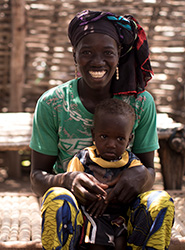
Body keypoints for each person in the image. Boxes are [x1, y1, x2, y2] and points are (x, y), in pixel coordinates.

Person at [29, 9, 174, 250]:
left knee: (160, 202)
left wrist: (141, 175)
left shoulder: (140, 103)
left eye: (108, 52)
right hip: (76, 211)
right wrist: (67, 180)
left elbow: (149, 172)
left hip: (126, 210)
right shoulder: (52, 103)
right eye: (86, 52)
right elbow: (37, 178)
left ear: (119, 54)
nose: (97, 61)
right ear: (74, 56)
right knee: (58, 199)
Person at [66, 98, 144, 249]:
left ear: (129, 140)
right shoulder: (83, 159)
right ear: (93, 134)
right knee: (97, 243)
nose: (111, 144)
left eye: (120, 139)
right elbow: (72, 186)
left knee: (122, 242)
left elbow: (138, 188)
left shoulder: (133, 165)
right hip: (92, 216)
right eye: (104, 137)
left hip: (121, 217)